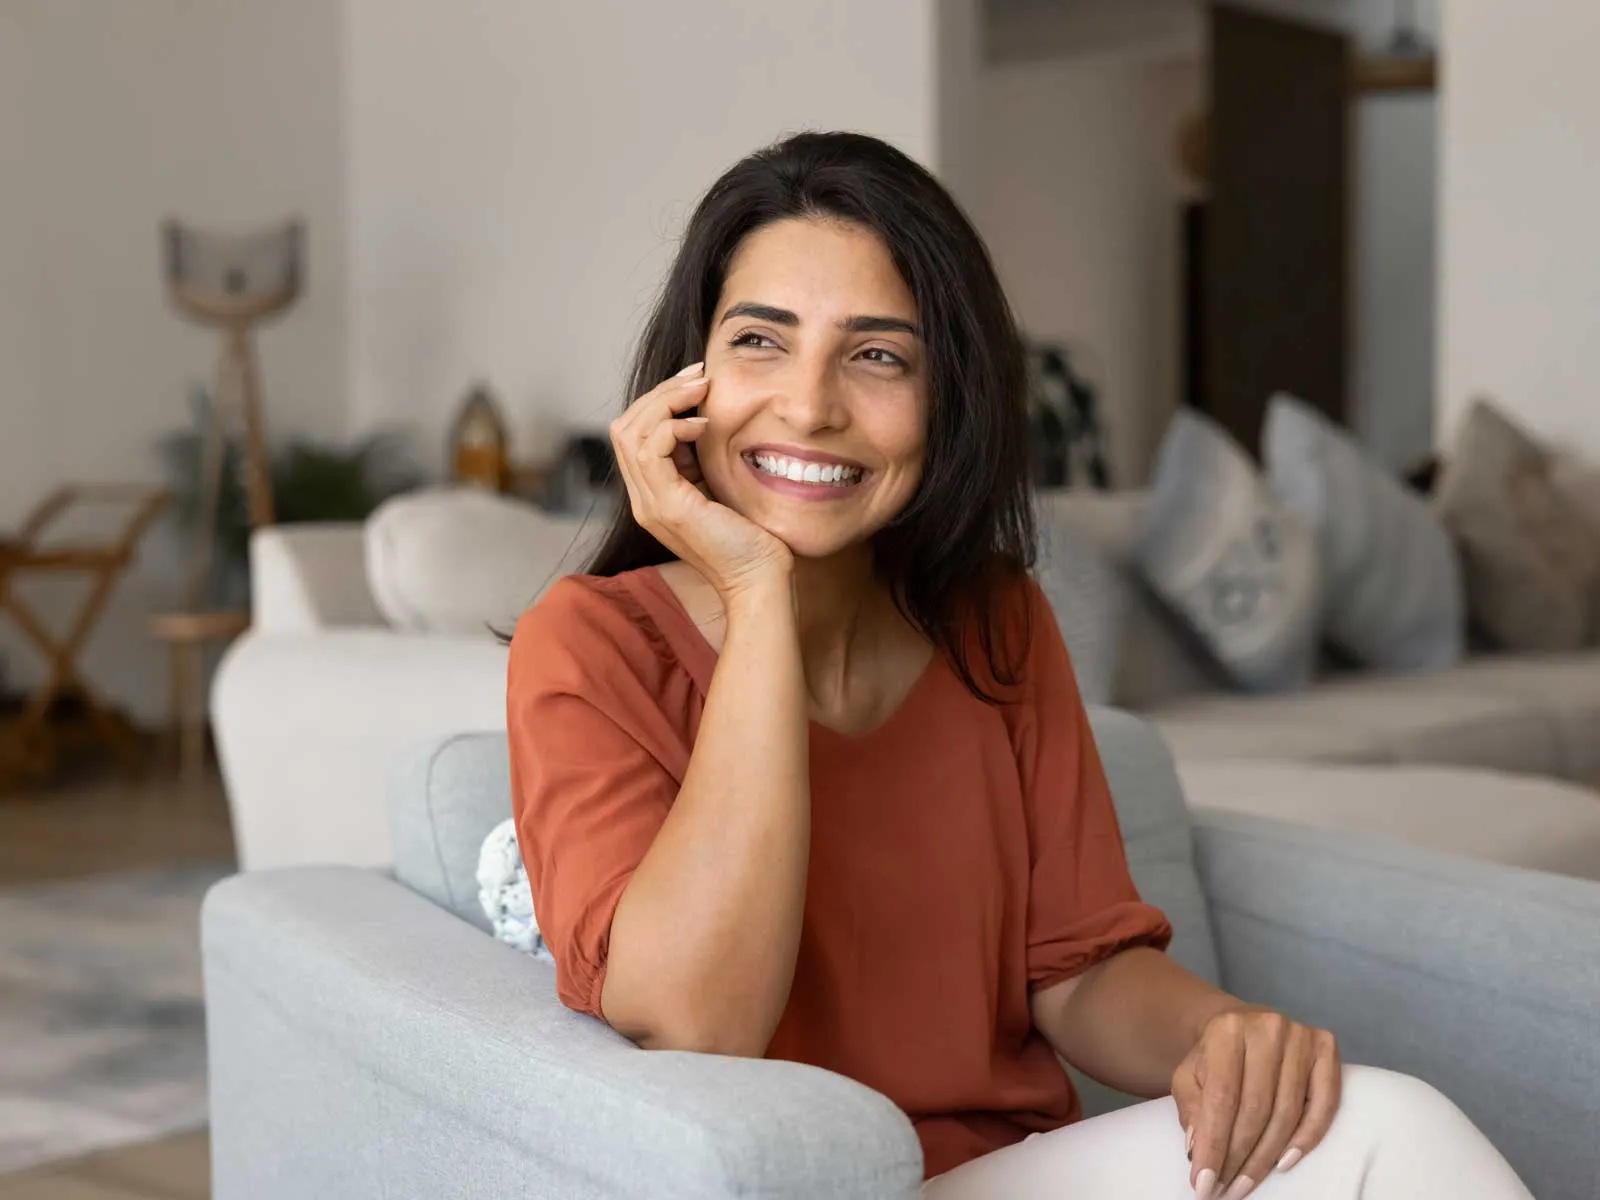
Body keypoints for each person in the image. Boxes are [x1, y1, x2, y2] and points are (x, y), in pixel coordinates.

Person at [506, 131, 1532, 1199]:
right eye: (761, 341)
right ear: (688, 379)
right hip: (812, 1185)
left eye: (877, 355)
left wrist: (1225, 1034)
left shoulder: (992, 621)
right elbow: (697, 1026)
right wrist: (755, 592)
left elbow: (1076, 973)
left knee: (1375, 1124)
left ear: (947, 396)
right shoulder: (589, 647)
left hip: (1011, 1174)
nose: (809, 406)